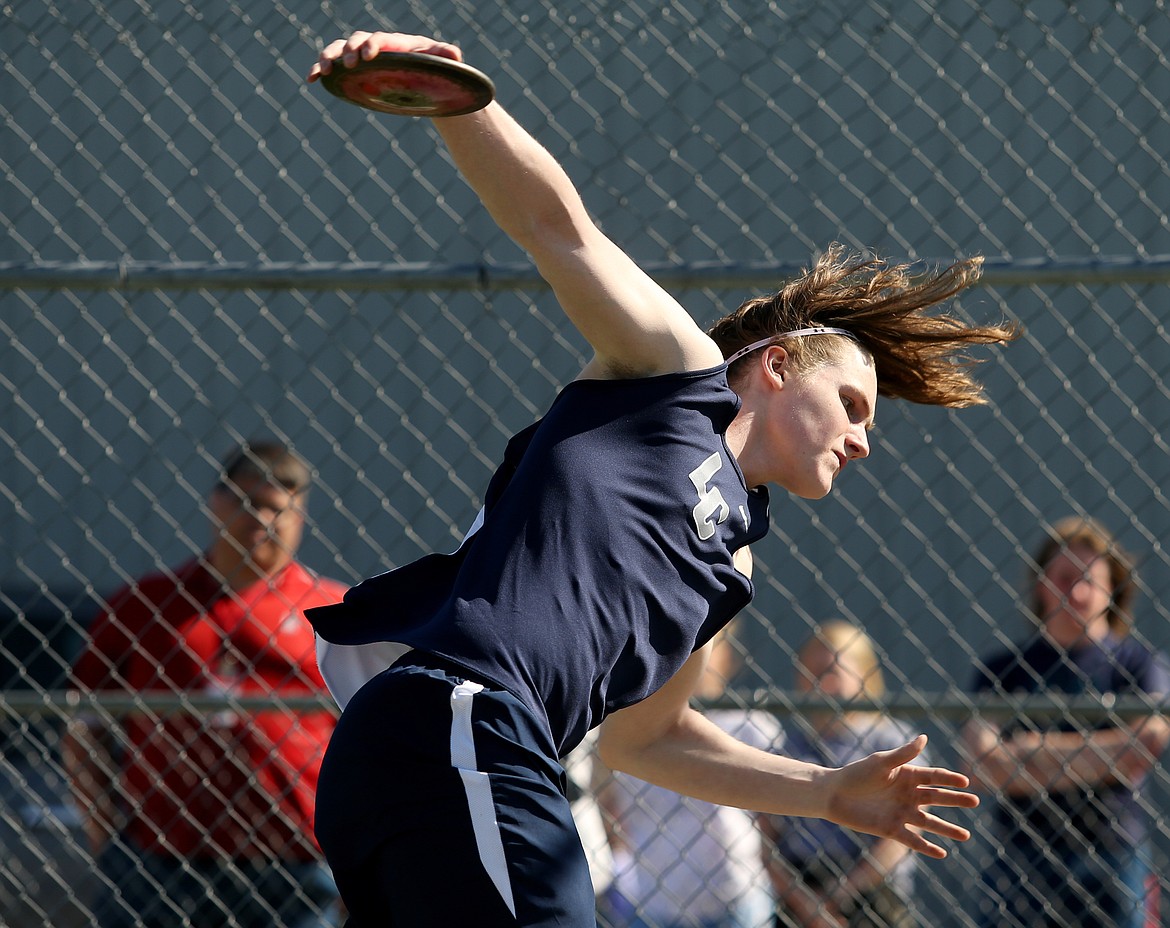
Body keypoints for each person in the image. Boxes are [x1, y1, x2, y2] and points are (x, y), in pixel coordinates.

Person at [304, 31, 1017, 928]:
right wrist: (459, 101)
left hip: (461, 756)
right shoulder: (672, 377)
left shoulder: (733, 567)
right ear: (779, 364)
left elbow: (652, 740)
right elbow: (556, 226)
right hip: (461, 719)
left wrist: (828, 791)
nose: (864, 440)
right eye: (855, 404)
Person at [62, 441, 348, 928]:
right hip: (160, 858)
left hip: (295, 862)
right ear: (214, 503)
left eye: (278, 508)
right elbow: (83, 721)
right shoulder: (147, 604)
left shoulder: (335, 614)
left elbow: (370, 741)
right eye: (246, 502)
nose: (261, 519)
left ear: (301, 516)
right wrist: (103, 832)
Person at [962, 516, 1170, 928]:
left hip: (1111, 850)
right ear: (1041, 584)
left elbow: (1140, 751)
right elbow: (981, 764)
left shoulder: (1138, 665)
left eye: (1089, 580)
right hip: (1021, 853)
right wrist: (1102, 756)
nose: (1076, 591)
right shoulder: (1003, 669)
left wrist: (1026, 752)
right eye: (1062, 577)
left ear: (1112, 589)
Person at [596, 624, 781, 928]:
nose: (688, 658)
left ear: (726, 657)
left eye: (705, 646)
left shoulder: (751, 726)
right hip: (653, 903)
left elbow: (770, 827)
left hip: (736, 900)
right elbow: (610, 810)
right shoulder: (629, 734)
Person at [759, 622, 923, 928]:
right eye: (812, 673)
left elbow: (903, 835)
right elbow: (765, 839)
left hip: (871, 887)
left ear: (864, 674)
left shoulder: (890, 742)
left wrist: (843, 892)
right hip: (801, 883)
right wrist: (806, 903)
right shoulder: (787, 746)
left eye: (832, 672)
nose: (821, 684)